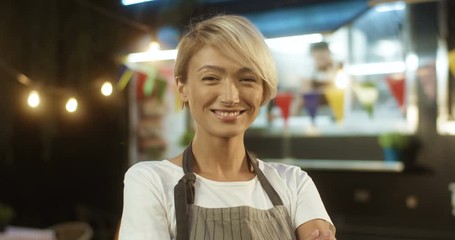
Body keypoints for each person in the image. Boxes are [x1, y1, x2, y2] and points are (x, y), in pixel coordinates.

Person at [119, 14, 336, 240]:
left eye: (247, 79)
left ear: (263, 90)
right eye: (211, 78)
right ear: (182, 87)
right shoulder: (151, 181)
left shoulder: (293, 182)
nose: (230, 97)